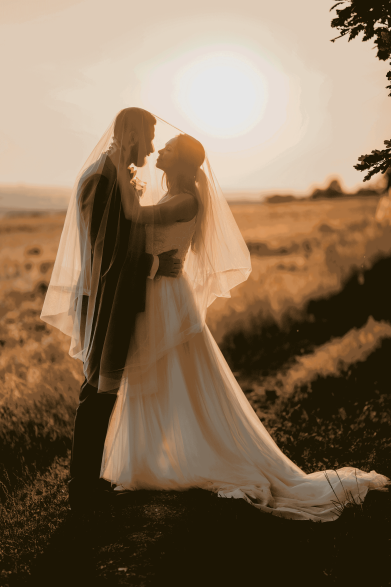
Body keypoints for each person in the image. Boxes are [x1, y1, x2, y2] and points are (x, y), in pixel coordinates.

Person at [99, 117, 389, 523]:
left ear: (181, 163)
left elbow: (135, 218)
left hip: (166, 295)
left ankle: (191, 456)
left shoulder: (186, 200)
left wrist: (121, 172)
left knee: (173, 374)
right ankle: (152, 460)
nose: (158, 152)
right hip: (155, 291)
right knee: (158, 375)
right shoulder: (174, 195)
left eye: (166, 150)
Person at [41, 108, 183, 511]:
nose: (153, 148)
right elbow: (108, 253)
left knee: (105, 389)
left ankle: (89, 481)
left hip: (116, 296)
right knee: (96, 391)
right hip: (101, 298)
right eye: (151, 138)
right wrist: (156, 265)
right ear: (134, 135)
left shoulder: (116, 174)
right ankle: (82, 488)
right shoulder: (100, 179)